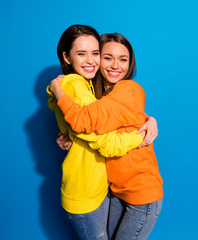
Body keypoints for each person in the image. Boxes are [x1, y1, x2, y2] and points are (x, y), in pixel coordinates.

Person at [47, 25, 158, 240]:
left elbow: (84, 121)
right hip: (114, 189)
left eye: (123, 59)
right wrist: (71, 138)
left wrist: (57, 89)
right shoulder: (94, 93)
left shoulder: (127, 88)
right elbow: (103, 122)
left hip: (139, 190)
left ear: (130, 62)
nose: (115, 65)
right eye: (107, 57)